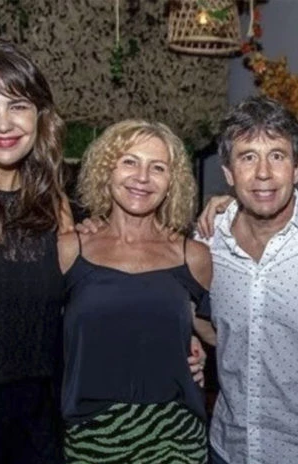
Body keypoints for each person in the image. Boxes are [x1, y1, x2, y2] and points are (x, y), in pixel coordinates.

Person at [195, 95, 298, 464]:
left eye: (277, 155)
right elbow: (194, 314)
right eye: (247, 157)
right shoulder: (208, 241)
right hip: (229, 449)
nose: (263, 173)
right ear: (228, 173)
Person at [57, 119, 211, 463]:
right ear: (106, 170)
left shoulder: (193, 255)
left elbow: (217, 332)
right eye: (129, 161)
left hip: (175, 435)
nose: (142, 177)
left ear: (172, 183)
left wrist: (196, 348)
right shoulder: (69, 249)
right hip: (91, 436)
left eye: (158, 167)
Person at [0, 37, 71, 463]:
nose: (3, 123)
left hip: (39, 425)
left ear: (39, 116)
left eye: (18, 105)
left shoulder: (55, 205)